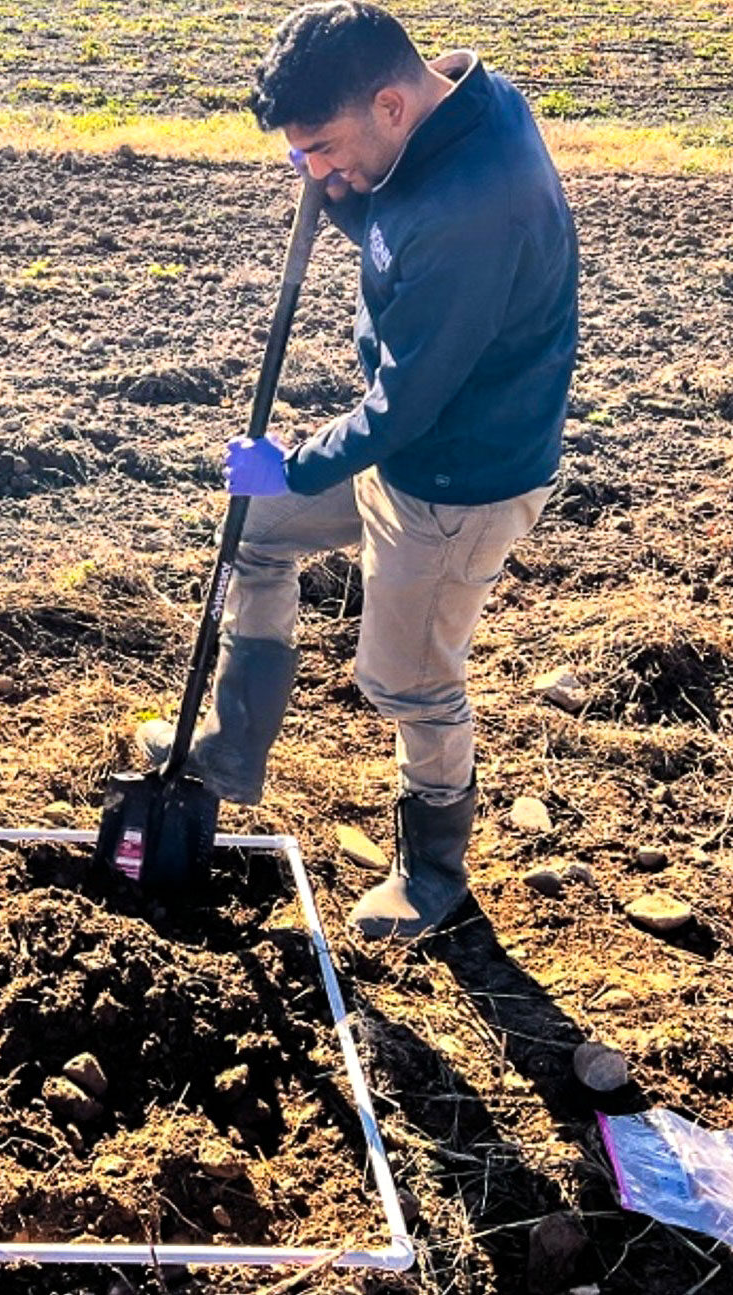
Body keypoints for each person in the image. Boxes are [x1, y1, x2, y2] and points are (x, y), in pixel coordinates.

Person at [139, 1, 578, 940]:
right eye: (302, 155)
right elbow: (398, 233)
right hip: (410, 444)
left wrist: (290, 465)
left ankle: (431, 872)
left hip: (456, 481)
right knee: (253, 531)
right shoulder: (452, 103)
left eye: (324, 146)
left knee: (405, 679)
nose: (314, 170)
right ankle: (234, 746)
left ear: (388, 102)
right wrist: (345, 192)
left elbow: (401, 407)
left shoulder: (471, 208)